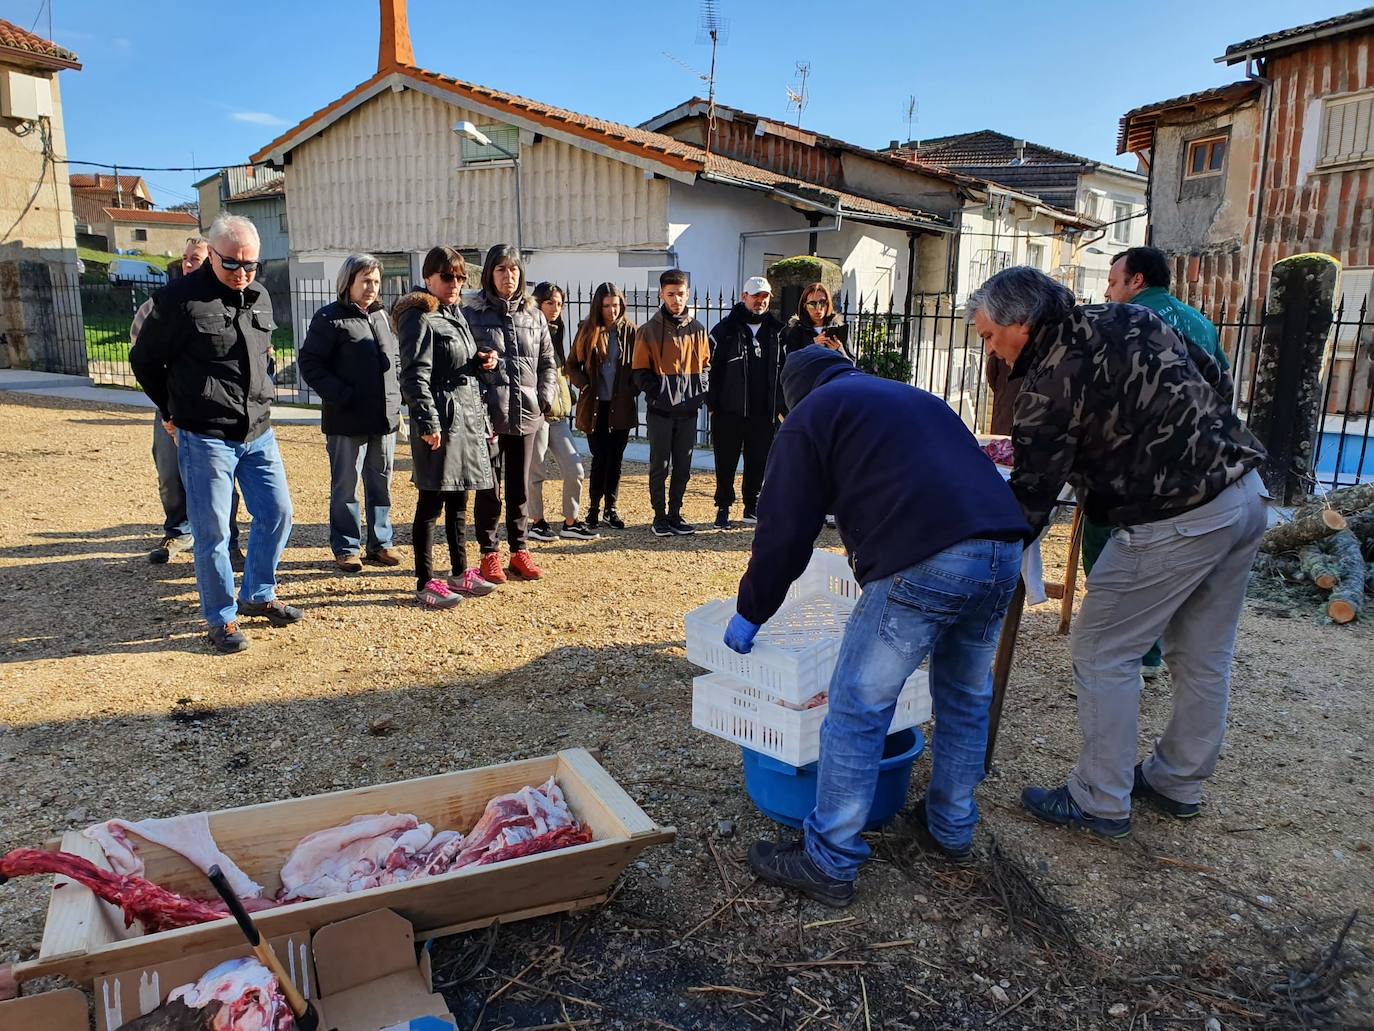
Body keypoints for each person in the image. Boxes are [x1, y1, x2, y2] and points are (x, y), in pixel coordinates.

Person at [968, 266, 1267, 839]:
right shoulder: (1132, 316)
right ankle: (1178, 781)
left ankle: (1100, 798)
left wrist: (985, 559)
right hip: (1242, 489)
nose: (992, 350)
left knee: (1104, 648)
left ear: (1021, 322)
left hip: (1172, 517)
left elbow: (1031, 499)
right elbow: (1209, 376)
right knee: (1202, 654)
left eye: (988, 336)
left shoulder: (1048, 382)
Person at [725, 346, 1028, 907]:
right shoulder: (911, 396)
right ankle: (951, 825)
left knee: (857, 707)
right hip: (1003, 550)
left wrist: (752, 609)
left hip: (927, 557)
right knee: (964, 696)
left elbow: (784, 529)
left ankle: (829, 858)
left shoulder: (810, 416)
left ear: (794, 396)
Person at [129, 215, 300, 654]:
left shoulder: (260, 296)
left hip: (258, 430)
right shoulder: (177, 300)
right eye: (232, 264)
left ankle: (257, 593)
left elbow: (262, 355)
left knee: (277, 513)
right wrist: (169, 410)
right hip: (205, 434)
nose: (242, 273)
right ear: (212, 255)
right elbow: (144, 361)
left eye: (251, 265)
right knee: (214, 533)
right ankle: (221, 618)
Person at [1093, 245, 1232, 679]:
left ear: (1137, 281)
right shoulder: (1201, 322)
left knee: (1107, 542)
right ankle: (1156, 652)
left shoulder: (1124, 319)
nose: (1108, 291)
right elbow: (1223, 382)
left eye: (1113, 282)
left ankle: (1125, 653)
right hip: (1192, 458)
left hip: (1134, 454)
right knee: (1169, 552)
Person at [394, 246, 500, 608]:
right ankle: (425, 581)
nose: (455, 283)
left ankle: (459, 571)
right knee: (431, 502)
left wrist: (481, 360)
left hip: (464, 416)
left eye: (460, 278)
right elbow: (413, 375)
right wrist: (427, 421)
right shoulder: (419, 316)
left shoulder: (454, 313)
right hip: (440, 418)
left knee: (459, 498)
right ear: (428, 278)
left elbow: (456, 361)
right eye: (447, 277)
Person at [131, 236, 243, 569]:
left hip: (212, 410)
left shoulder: (229, 301)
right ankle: (178, 531)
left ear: (213, 260)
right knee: (169, 474)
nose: (188, 264)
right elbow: (144, 357)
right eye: (185, 258)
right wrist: (168, 409)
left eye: (196, 258)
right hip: (170, 405)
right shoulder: (160, 304)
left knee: (221, 478)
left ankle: (229, 541)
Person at [298, 253, 403, 572]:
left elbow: (394, 359)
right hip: (347, 419)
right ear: (349, 282)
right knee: (346, 487)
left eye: (376, 281)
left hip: (384, 418)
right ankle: (346, 547)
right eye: (365, 281)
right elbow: (310, 364)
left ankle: (380, 544)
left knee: (381, 483)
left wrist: (396, 396)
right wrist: (342, 395)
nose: (372, 287)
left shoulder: (382, 316)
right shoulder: (329, 318)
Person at [464, 245, 557, 583]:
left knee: (519, 487)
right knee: (489, 489)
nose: (509, 276)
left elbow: (548, 362)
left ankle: (519, 550)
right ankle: (489, 553)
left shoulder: (534, 315)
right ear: (490, 273)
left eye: (514, 269)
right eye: (501, 269)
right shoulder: (471, 313)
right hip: (488, 415)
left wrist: (544, 398)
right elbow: (462, 361)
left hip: (526, 413)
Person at [633, 269, 710, 537]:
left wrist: (700, 393)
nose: (676, 299)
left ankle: (675, 514)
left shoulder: (698, 330)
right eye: (671, 294)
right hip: (660, 411)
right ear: (661, 295)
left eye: (680, 293)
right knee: (660, 466)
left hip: (688, 410)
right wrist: (658, 394)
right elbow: (639, 371)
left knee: (683, 467)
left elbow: (706, 366)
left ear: (687, 294)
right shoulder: (648, 331)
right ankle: (660, 516)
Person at [707, 276, 785, 530]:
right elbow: (708, 368)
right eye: (755, 296)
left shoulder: (779, 332)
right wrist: (712, 403)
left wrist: (781, 406)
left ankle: (752, 504)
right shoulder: (724, 330)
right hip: (729, 410)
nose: (760, 301)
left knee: (759, 460)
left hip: (764, 411)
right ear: (744, 297)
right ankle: (723, 506)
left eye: (764, 296)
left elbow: (787, 370)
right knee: (725, 461)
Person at [566, 282, 638, 530]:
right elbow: (571, 365)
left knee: (615, 459)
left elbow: (640, 365)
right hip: (595, 406)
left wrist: (632, 388)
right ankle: (594, 508)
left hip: (621, 404)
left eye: (615, 305)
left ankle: (611, 508)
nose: (612, 310)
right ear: (599, 306)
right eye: (607, 306)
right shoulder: (587, 330)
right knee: (599, 458)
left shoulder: (631, 331)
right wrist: (585, 384)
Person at [527, 282, 596, 542]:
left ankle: (571, 521)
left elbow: (558, 373)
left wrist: (567, 395)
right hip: (537, 415)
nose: (555, 308)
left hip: (558, 416)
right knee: (536, 472)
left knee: (575, 469)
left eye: (559, 304)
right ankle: (537, 522)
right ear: (537, 303)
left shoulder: (556, 333)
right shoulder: (530, 332)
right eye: (550, 303)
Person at [779, 282, 850, 359]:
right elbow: (791, 361)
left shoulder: (838, 328)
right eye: (812, 304)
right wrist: (812, 345)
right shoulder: (797, 330)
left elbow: (852, 363)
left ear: (828, 304)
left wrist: (839, 350)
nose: (818, 308)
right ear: (805, 306)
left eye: (822, 303)